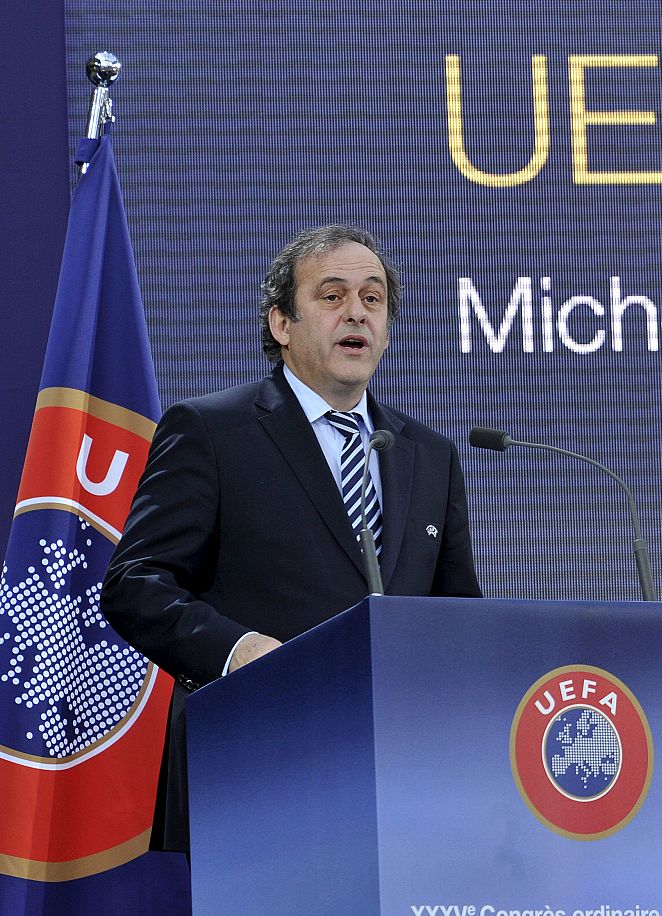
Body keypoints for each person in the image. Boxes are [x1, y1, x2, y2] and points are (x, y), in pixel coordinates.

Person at [103, 224, 482, 852]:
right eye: (332, 296)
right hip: (254, 767)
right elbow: (134, 584)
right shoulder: (211, 430)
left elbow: (456, 618)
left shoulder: (428, 456)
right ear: (282, 323)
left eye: (373, 297)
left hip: (398, 786)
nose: (357, 311)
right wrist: (239, 652)